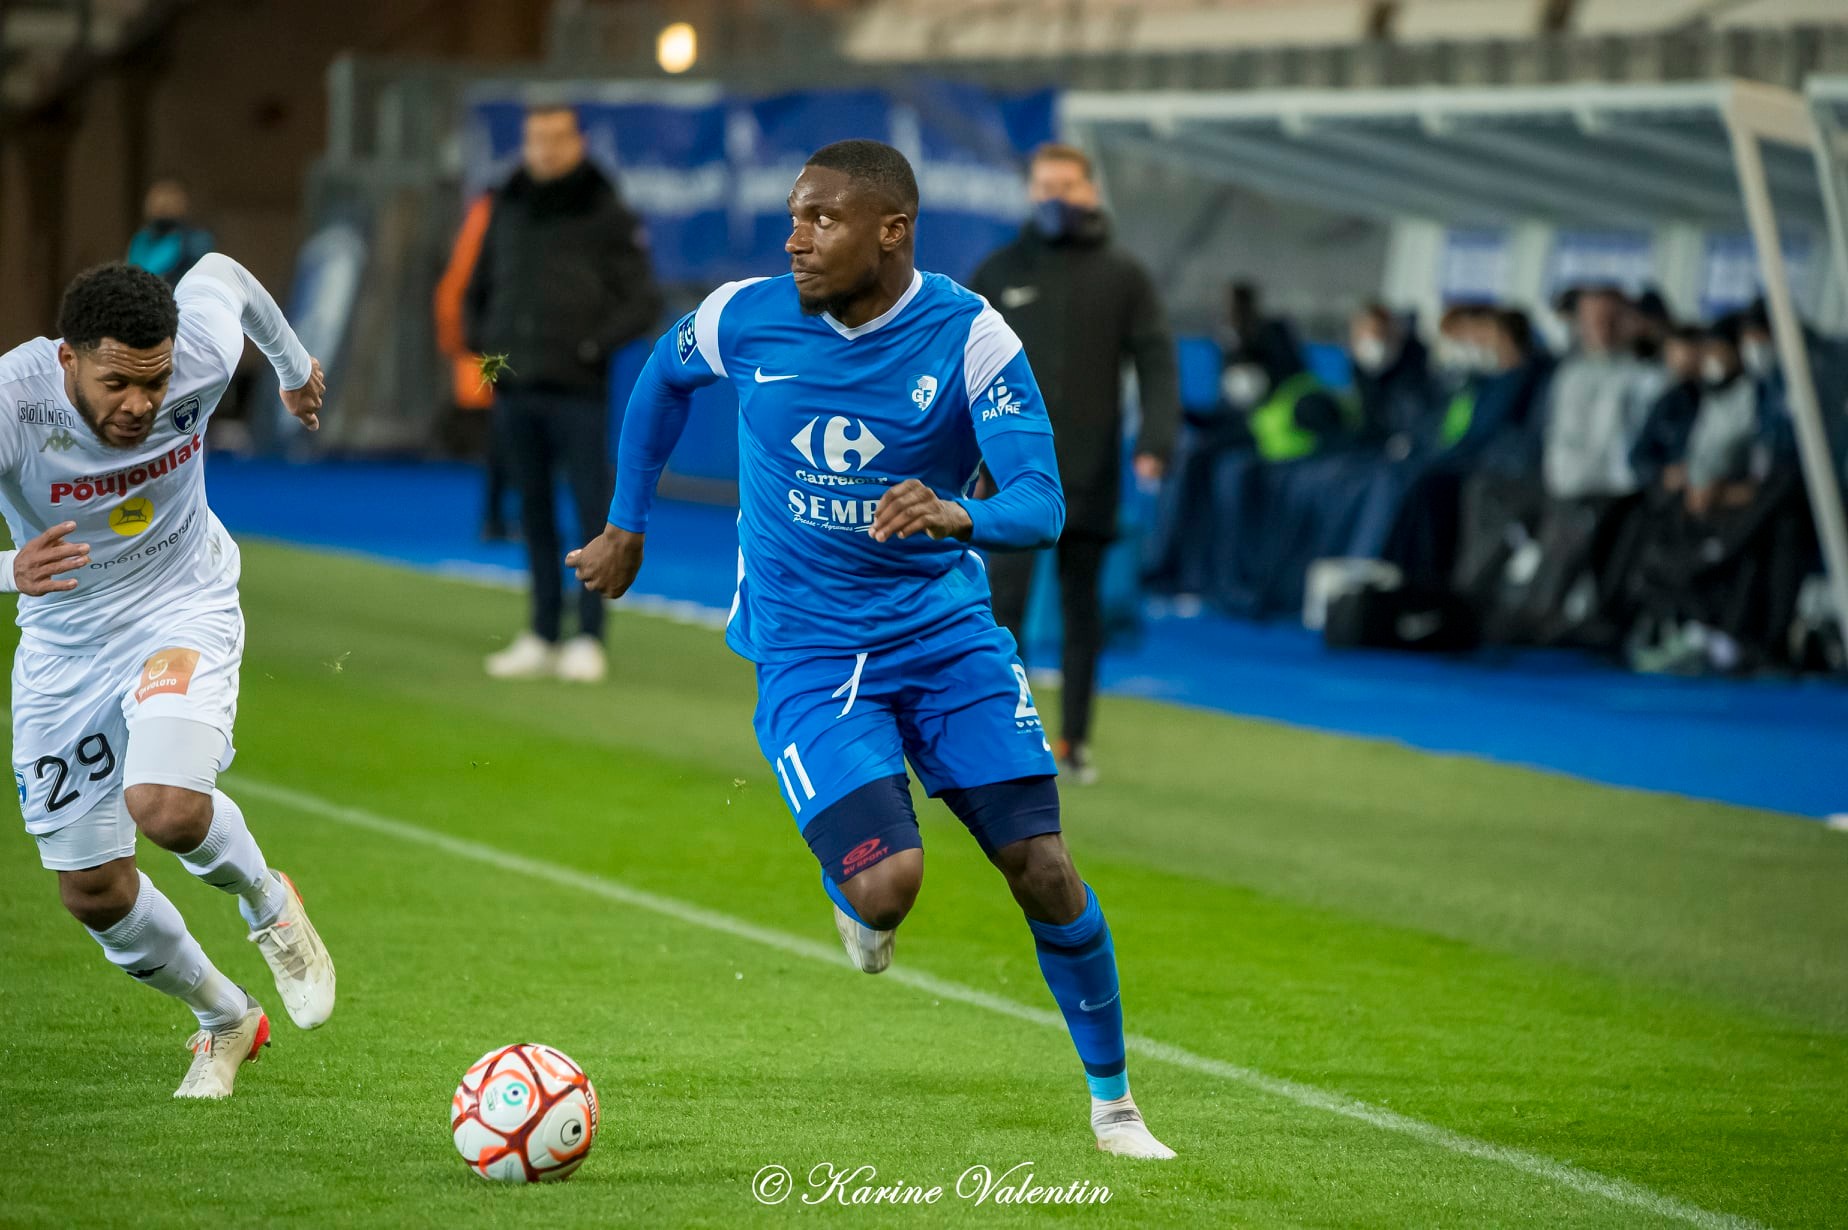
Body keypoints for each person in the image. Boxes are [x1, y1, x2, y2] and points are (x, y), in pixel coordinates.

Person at [569, 140, 1173, 1160]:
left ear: (892, 230)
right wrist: (629, 519)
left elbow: (1043, 502)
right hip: (810, 650)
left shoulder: (971, 336)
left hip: (943, 638)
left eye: (823, 219)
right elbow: (662, 382)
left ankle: (1115, 1107)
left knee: (1043, 865)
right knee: (888, 884)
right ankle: (854, 890)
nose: (797, 240)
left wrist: (958, 513)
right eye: (795, 216)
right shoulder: (744, 316)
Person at [1, 259, 335, 1098]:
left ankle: (270, 906)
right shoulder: (12, 402)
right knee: (92, 890)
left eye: (154, 385)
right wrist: (12, 568)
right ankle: (225, 1018)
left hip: (180, 604)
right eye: (117, 384)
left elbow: (225, 275)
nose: (142, 407)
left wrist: (294, 372)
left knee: (168, 806)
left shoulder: (197, 355)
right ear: (67, 360)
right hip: (63, 642)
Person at [968, 142, 1179, 785]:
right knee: (1000, 607)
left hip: (1088, 475)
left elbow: (1156, 361)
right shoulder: (999, 270)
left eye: (1067, 184)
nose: (1055, 196)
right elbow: (960, 364)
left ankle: (1075, 741)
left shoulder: (1124, 277)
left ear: (1090, 191)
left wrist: (1157, 442)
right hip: (1007, 476)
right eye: (1044, 184)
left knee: (1081, 608)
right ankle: (1008, 736)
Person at [466, 104, 662, 683]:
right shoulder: (508, 202)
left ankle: (589, 637)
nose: (544, 150)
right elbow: (481, 285)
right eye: (534, 139)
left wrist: (590, 347)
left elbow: (642, 300)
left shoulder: (604, 207)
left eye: (555, 139)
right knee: (531, 512)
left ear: (577, 142)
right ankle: (542, 631)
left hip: (579, 389)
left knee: (592, 514)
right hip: (515, 388)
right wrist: (488, 347)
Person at [434, 192, 516, 542]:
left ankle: (498, 514)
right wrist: (466, 341)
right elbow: (464, 285)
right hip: (495, 344)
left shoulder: (490, 213)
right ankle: (496, 515)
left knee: (505, 424)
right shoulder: (494, 213)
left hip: (496, 339)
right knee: (504, 423)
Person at [125, 179, 215, 288]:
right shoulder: (141, 239)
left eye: (169, 201)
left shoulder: (196, 241)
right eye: (157, 201)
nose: (163, 207)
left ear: (182, 204)